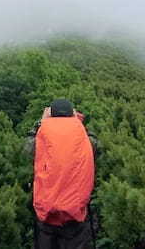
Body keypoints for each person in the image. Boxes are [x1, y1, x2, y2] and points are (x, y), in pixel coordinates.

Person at [26, 99, 98, 249]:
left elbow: (27, 148)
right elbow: (95, 144)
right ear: (72, 114)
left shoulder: (41, 136)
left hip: (46, 214)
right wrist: (78, 123)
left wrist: (40, 122)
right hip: (75, 215)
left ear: (50, 114)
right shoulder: (83, 137)